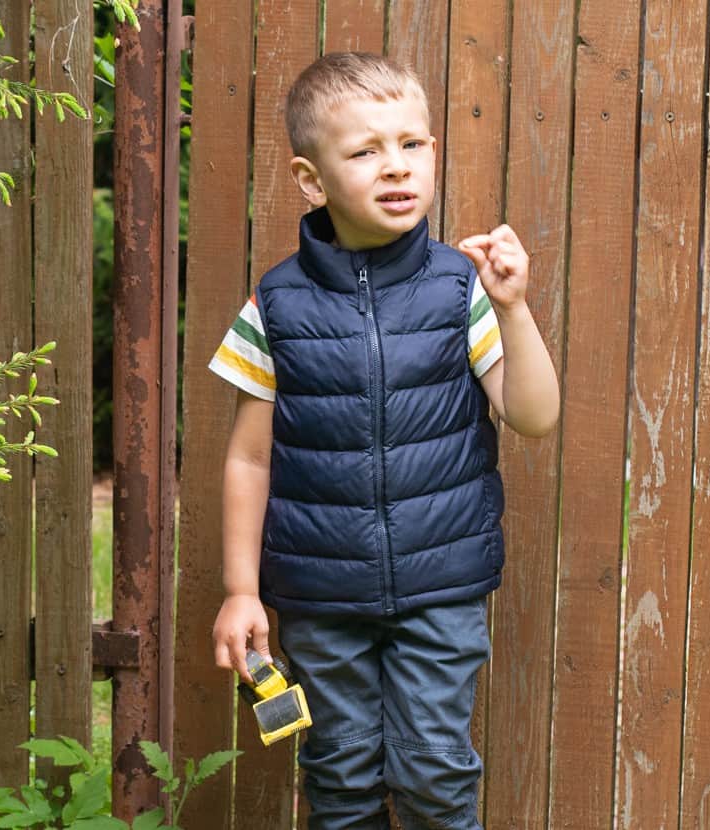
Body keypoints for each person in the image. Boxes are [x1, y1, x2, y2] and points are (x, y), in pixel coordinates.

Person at [207, 51, 561, 830]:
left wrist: (515, 310)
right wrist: (241, 590)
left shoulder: (460, 288)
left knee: (435, 770)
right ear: (311, 179)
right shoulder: (277, 302)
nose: (396, 167)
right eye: (365, 151)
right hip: (320, 597)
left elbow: (533, 416)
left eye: (412, 144)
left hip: (442, 589)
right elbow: (248, 456)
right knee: (337, 777)